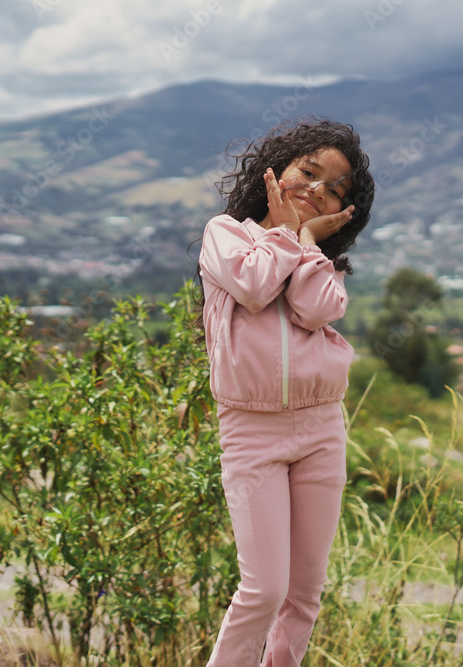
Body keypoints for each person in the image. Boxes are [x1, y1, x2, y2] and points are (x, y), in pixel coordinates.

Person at [197, 118, 375, 666]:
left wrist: (305, 243)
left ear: (339, 212)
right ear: (277, 169)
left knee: (303, 595)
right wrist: (281, 231)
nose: (315, 189)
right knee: (263, 591)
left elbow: (314, 308)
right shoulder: (225, 235)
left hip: (322, 428)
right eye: (308, 171)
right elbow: (253, 287)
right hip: (252, 431)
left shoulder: (322, 260)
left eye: (333, 189)